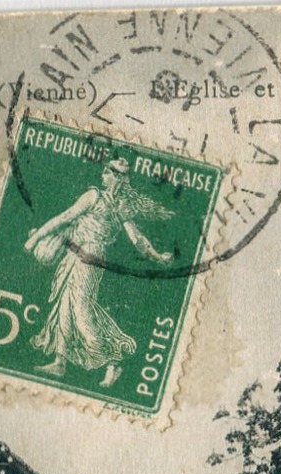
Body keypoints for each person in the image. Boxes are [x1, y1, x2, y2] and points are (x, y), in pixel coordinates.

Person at [23, 157, 176, 387]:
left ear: (117, 178)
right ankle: (60, 362)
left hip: (91, 256)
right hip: (75, 252)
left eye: (107, 173)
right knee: (65, 304)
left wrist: (156, 256)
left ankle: (113, 362)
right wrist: (37, 237)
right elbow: (65, 218)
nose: (103, 176)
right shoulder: (95, 196)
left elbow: (136, 238)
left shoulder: (117, 204)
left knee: (82, 309)